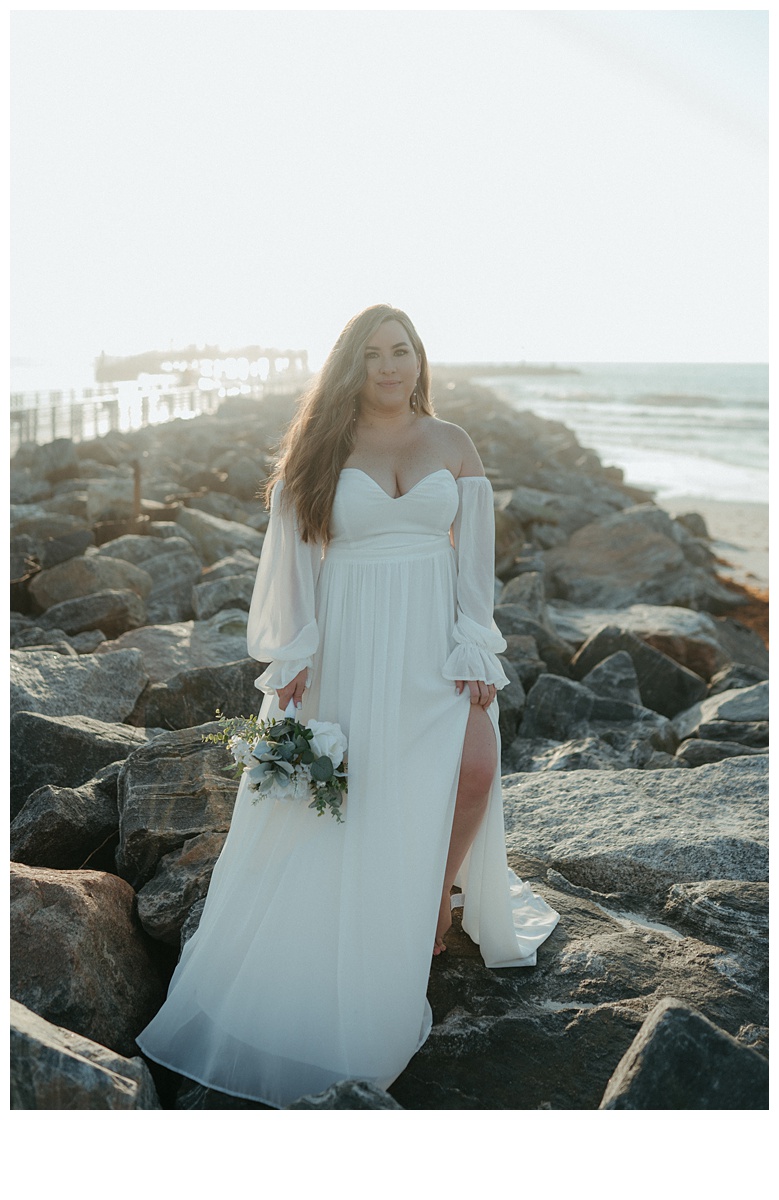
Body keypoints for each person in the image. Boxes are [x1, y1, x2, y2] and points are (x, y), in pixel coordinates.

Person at [136, 304, 559, 1107]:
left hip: (435, 643)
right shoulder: (322, 448)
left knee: (471, 774)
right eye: (372, 355)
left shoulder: (453, 444)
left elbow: (475, 562)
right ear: (349, 367)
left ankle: (434, 895)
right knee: (357, 799)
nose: (390, 367)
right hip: (348, 645)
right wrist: (293, 655)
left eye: (401, 351)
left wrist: (477, 645)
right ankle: (362, 934)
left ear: (419, 359)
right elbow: (292, 555)